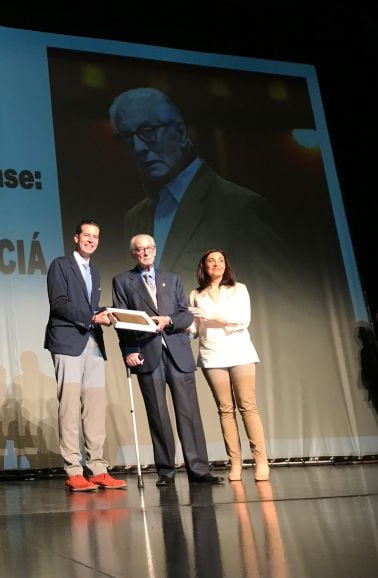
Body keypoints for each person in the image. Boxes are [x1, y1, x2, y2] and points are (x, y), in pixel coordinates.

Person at [107, 87, 283, 287]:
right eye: (127, 138)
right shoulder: (135, 217)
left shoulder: (242, 208)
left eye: (148, 132)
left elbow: (273, 302)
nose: (138, 148)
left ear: (180, 132)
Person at [112, 233, 223, 486]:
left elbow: (185, 315)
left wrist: (169, 321)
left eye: (149, 248)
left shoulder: (171, 279)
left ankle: (198, 469)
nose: (145, 252)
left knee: (189, 413)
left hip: (178, 353)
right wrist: (129, 349)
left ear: (155, 250)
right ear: (133, 253)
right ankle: (166, 471)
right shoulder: (122, 281)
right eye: (139, 249)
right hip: (147, 354)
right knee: (158, 415)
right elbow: (121, 320)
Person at [44, 220, 127, 491]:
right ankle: (73, 470)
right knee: (69, 407)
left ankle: (98, 468)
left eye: (96, 236)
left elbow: (89, 307)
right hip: (68, 342)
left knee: (94, 407)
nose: (91, 240)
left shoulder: (96, 272)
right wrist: (93, 316)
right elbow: (59, 304)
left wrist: (109, 313)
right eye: (87, 235)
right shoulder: (60, 265)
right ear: (76, 238)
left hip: (92, 343)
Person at [188, 249, 269, 482]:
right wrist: (174, 323)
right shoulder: (195, 294)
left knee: (247, 406)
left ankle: (260, 460)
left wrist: (210, 314)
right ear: (203, 266)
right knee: (225, 410)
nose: (216, 264)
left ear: (226, 265)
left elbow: (242, 319)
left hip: (239, 352)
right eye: (211, 260)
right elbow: (194, 329)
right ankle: (235, 462)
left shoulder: (238, 288)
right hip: (212, 356)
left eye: (220, 260)